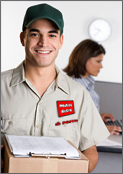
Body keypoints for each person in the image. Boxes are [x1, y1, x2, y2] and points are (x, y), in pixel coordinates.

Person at [1, 4, 110, 173]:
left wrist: (77, 168)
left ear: (61, 41)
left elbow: (90, 151)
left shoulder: (78, 94)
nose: (43, 42)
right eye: (35, 34)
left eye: (52, 35)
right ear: (23, 38)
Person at [63, 39, 122, 135]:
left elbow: (81, 116)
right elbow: (69, 123)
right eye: (98, 61)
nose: (101, 66)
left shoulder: (87, 83)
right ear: (84, 59)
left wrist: (97, 117)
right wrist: (99, 130)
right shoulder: (73, 86)